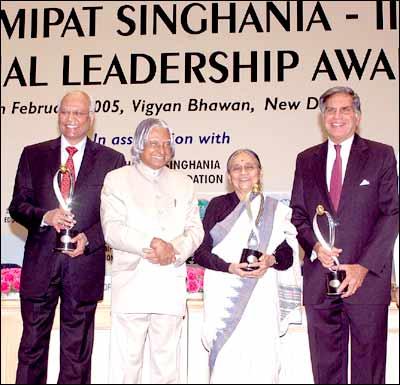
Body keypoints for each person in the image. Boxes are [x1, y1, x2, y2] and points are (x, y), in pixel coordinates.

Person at [9, 90, 126, 384]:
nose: (70, 119)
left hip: (84, 265)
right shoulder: (33, 154)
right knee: (32, 347)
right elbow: (17, 205)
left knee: (77, 354)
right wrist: (44, 217)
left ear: (91, 119)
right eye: (65, 112)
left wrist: (91, 239)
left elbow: (119, 216)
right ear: (58, 115)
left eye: (78, 113)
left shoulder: (112, 160)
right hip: (40, 265)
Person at [290, 86, 399, 384]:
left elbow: (392, 213)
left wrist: (363, 266)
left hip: (366, 281)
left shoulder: (381, 155)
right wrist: (315, 246)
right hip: (320, 278)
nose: (337, 116)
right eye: (331, 110)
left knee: (368, 369)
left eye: (345, 109)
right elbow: (298, 214)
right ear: (322, 117)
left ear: (358, 116)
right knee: (325, 369)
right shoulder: (306, 159)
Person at [100, 117, 204, 384]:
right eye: (154, 143)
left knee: (167, 367)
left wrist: (174, 250)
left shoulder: (184, 182)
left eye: (167, 144)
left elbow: (195, 230)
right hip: (132, 284)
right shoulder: (117, 179)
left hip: (169, 283)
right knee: (126, 366)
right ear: (138, 145)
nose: (162, 149)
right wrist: (153, 244)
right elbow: (112, 229)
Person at [193, 149, 302, 384]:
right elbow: (200, 252)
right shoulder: (217, 206)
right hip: (225, 294)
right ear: (229, 175)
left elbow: (288, 255)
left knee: (262, 362)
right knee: (226, 364)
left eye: (249, 166)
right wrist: (230, 267)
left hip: (262, 297)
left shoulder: (274, 209)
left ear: (260, 173)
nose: (243, 172)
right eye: (236, 167)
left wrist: (270, 259)